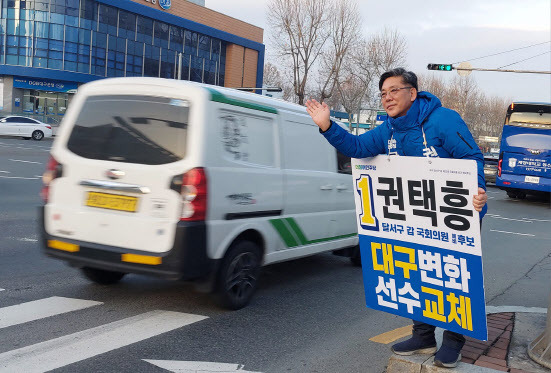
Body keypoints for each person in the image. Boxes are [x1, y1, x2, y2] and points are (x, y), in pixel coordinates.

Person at [305, 67, 488, 369]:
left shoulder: (443, 120)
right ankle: (423, 335)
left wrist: (478, 188)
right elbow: (359, 148)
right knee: (418, 270)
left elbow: (471, 159)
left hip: (458, 212)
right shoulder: (388, 128)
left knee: (453, 273)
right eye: (383, 94)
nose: (387, 98)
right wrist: (327, 126)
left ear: (412, 93)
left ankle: (454, 342)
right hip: (415, 216)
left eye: (394, 91)